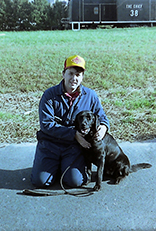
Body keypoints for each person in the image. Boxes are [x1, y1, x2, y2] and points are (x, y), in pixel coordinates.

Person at [30, 55, 110, 188]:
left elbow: (102, 117)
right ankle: (52, 166)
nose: (74, 78)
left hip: (74, 147)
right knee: (40, 182)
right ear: (63, 74)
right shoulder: (49, 95)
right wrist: (73, 134)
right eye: (70, 74)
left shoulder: (90, 95)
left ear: (82, 76)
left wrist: (103, 128)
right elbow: (46, 125)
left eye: (78, 75)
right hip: (50, 144)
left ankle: (63, 167)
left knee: (75, 182)